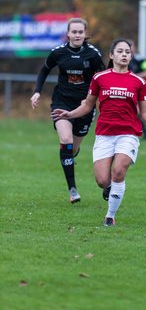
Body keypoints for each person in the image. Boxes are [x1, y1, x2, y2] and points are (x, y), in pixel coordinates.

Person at [51, 38, 146, 226]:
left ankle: (110, 216)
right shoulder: (99, 78)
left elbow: (145, 112)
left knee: (118, 171)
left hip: (128, 134)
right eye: (120, 51)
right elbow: (88, 105)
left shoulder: (138, 82)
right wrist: (70, 114)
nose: (124, 55)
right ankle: (112, 190)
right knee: (102, 180)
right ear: (112, 55)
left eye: (127, 52)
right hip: (104, 135)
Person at [30, 17, 105, 204]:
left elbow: (102, 78)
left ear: (85, 34)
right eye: (74, 32)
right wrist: (37, 92)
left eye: (81, 32)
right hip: (61, 101)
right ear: (68, 33)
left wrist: (94, 99)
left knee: (72, 149)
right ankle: (72, 189)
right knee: (66, 139)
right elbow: (43, 71)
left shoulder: (93, 55)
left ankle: (70, 155)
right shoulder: (58, 52)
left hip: (84, 105)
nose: (77, 35)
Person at [128, 40, 146, 140]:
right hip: (130, 90)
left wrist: (136, 77)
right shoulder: (124, 59)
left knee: (138, 111)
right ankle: (144, 133)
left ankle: (139, 132)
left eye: (131, 46)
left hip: (142, 89)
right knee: (135, 112)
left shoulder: (140, 59)